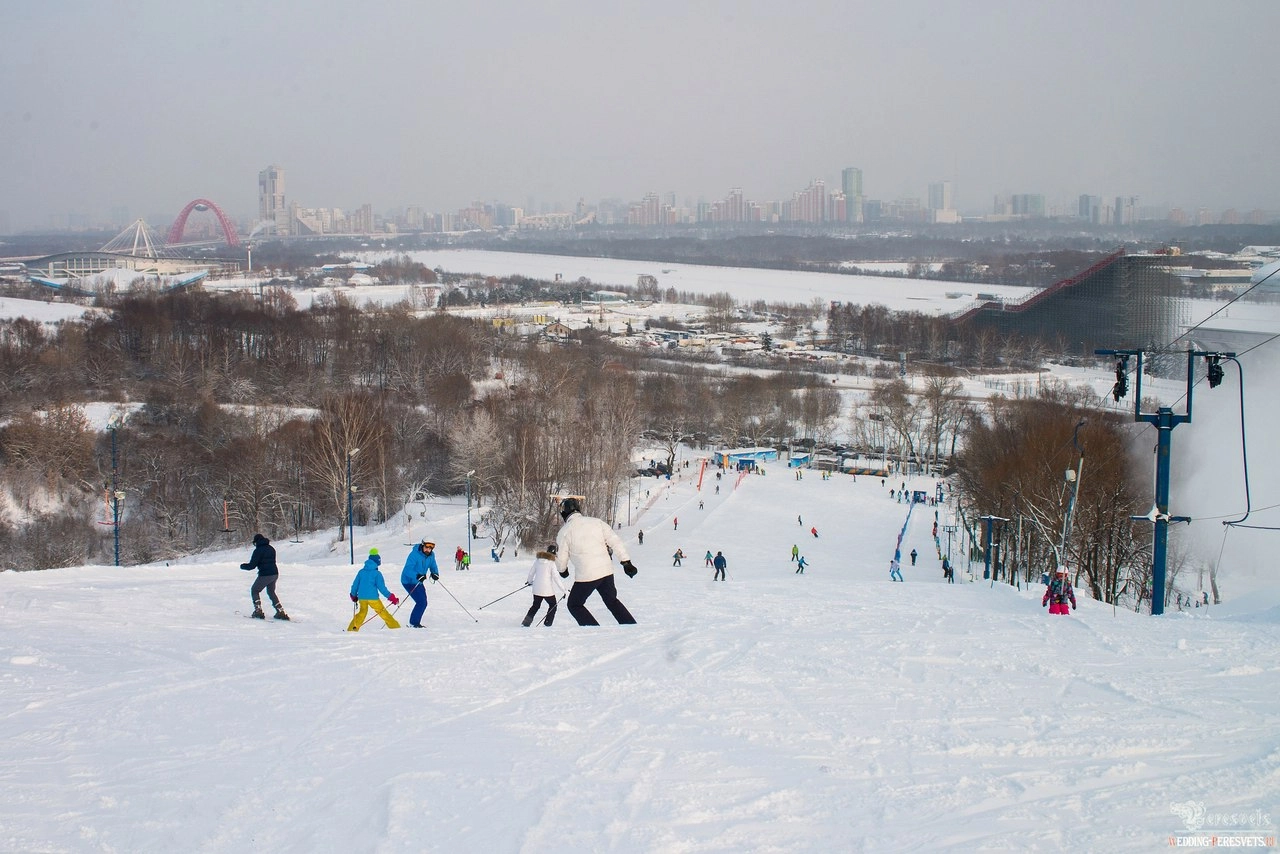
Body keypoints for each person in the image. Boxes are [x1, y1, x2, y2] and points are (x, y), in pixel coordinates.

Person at [554, 497, 637, 626]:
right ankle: (631, 626)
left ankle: (593, 630)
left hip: (587, 575)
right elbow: (615, 541)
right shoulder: (597, 522)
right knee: (611, 600)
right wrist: (626, 562)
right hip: (606, 571)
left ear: (564, 513)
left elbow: (561, 556)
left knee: (574, 604)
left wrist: (563, 571)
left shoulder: (564, 531)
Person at [347, 548, 400, 631]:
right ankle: (395, 627)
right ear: (377, 562)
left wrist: (353, 595)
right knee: (383, 612)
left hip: (362, 598)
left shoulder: (361, 572)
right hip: (373, 598)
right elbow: (382, 589)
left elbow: (355, 585)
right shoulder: (377, 574)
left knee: (362, 613)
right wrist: (391, 597)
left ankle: (351, 629)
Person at [240, 533, 289, 620]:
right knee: (271, 592)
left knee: (255, 590)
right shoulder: (271, 548)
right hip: (274, 573)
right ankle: (280, 611)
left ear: (256, 542)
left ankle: (258, 610)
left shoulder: (258, 551)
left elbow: (252, 566)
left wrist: (243, 566)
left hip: (265, 575)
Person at [522, 544, 566, 627]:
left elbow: (531, 573)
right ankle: (548, 624)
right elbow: (556, 578)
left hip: (536, 589)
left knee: (535, 606)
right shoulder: (551, 563)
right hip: (547, 590)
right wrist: (564, 590)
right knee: (553, 605)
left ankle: (525, 623)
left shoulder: (537, 561)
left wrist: (529, 582)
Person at [400, 538, 439, 628]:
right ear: (422, 545)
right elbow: (407, 569)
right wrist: (417, 575)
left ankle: (414, 622)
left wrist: (435, 573)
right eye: (426, 547)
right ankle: (414, 623)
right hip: (408, 581)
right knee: (421, 602)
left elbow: (433, 565)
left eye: (431, 548)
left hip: (419, 581)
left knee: (423, 601)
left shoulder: (431, 555)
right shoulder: (414, 555)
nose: (428, 550)